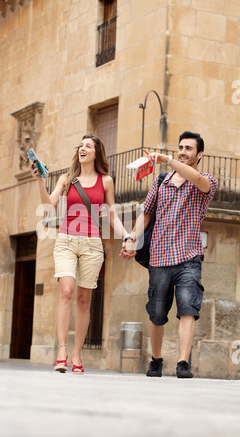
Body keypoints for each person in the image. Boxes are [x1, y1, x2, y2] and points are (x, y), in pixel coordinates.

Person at [120, 131, 218, 378]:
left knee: (188, 309)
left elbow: (196, 178)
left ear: (199, 155)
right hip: (159, 257)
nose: (183, 152)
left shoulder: (205, 181)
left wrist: (166, 159)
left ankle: (183, 362)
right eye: (181, 147)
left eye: (189, 149)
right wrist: (131, 237)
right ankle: (156, 359)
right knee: (157, 312)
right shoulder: (161, 181)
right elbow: (146, 213)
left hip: (189, 257)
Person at [32, 134, 132, 374]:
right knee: (66, 291)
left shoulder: (106, 181)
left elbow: (112, 215)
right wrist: (40, 182)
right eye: (81, 145)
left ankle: (77, 354)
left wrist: (127, 236)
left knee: (84, 300)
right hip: (66, 240)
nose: (82, 148)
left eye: (88, 146)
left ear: (97, 153)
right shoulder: (67, 179)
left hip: (92, 245)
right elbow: (48, 205)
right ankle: (62, 350)